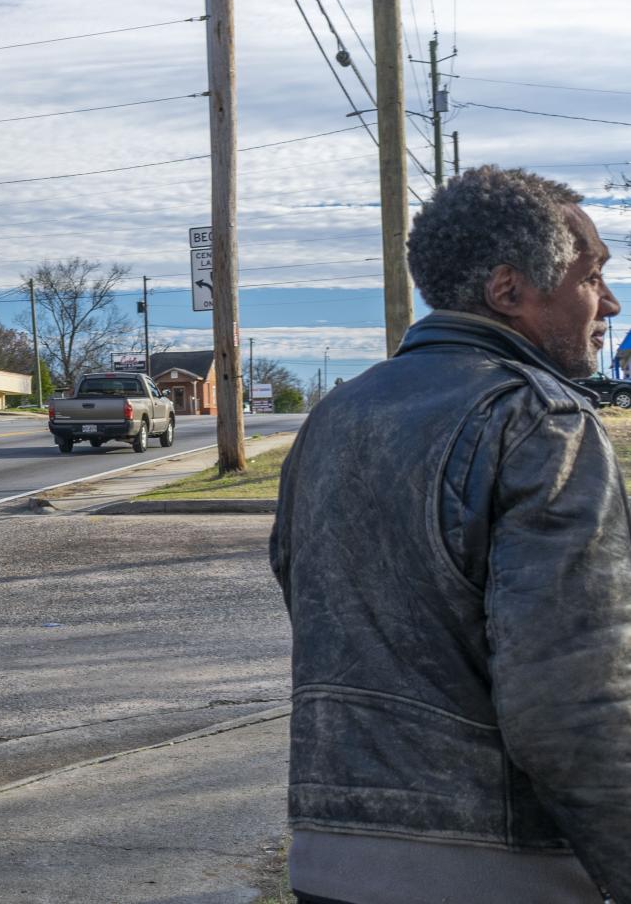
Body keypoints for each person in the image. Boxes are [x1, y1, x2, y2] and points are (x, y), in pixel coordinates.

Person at [270, 166, 630, 904]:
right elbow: (571, 699)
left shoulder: (336, 417)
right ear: (508, 291)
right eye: (591, 277)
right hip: (499, 869)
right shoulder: (540, 420)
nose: (610, 302)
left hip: (325, 857)